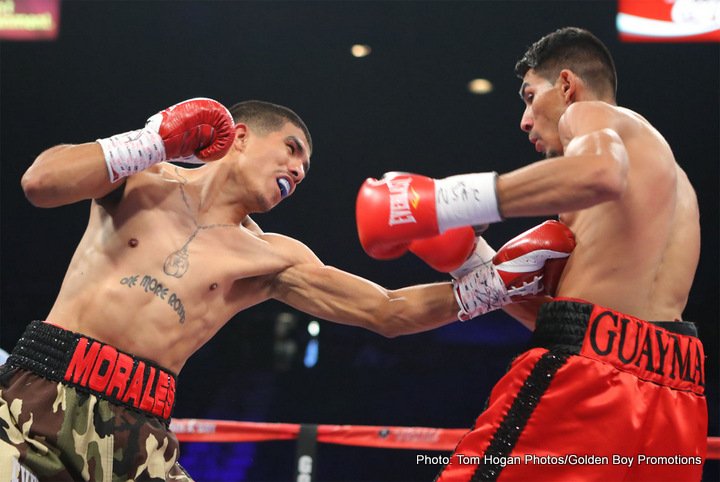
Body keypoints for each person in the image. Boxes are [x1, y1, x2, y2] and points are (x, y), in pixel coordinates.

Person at [0, 98, 574, 481]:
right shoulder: (142, 179)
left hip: (136, 424)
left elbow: (387, 311)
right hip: (40, 388)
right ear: (240, 136)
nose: (300, 171)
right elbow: (39, 182)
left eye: (306, 166)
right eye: (292, 149)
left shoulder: (270, 256)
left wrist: (492, 284)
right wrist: (150, 142)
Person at [356, 27, 706, 481]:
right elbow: (584, 323)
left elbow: (600, 173)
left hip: (590, 383)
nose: (524, 120)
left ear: (566, 85)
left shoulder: (591, 116)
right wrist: (469, 257)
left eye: (529, 95)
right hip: (676, 391)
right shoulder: (677, 188)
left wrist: (443, 201)